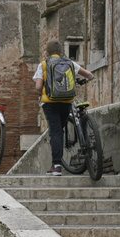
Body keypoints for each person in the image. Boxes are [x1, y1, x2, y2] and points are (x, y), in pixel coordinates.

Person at [33, 40, 93, 175]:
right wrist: (86, 80)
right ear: (61, 53)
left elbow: (38, 86)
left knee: (56, 132)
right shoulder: (70, 63)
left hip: (50, 103)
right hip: (67, 101)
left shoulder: (43, 65)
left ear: (47, 53)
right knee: (62, 127)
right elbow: (89, 75)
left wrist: (43, 90)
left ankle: (56, 166)